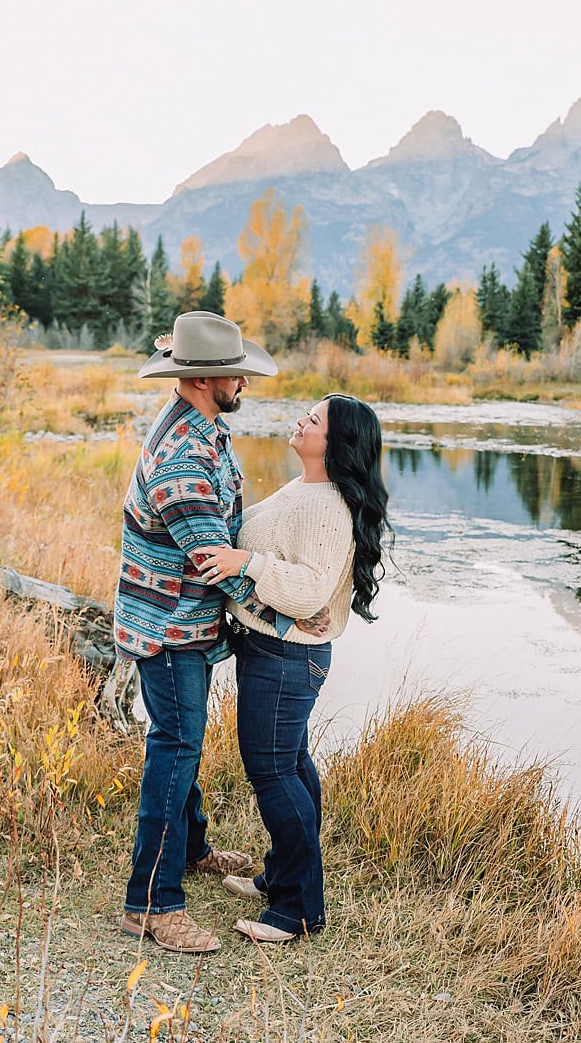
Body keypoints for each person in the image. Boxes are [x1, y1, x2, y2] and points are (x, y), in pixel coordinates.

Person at [193, 394, 390, 942]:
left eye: (315, 419)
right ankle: (281, 878)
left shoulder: (326, 507)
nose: (302, 419)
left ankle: (297, 911)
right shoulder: (304, 488)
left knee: (274, 772)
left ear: (337, 443)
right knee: (292, 766)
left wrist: (245, 563)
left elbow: (309, 589)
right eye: (307, 412)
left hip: (287, 659)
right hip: (275, 654)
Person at [115, 311, 278, 954]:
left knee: (181, 742)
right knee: (176, 746)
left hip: (178, 618)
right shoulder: (184, 456)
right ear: (209, 378)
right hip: (170, 626)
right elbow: (215, 559)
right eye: (237, 373)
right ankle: (151, 905)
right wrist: (284, 616)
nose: (245, 382)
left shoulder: (200, 425)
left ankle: (191, 850)